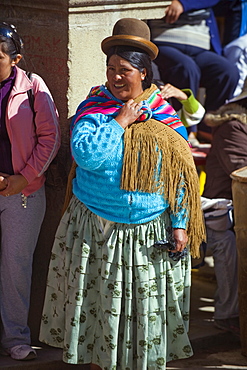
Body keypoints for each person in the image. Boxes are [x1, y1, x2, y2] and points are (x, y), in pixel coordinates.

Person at [39, 18, 205, 370]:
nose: (115, 77)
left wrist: (180, 224)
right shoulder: (96, 109)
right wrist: (120, 122)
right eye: (110, 68)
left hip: (149, 233)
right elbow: (85, 155)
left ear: (144, 73)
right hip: (99, 231)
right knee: (100, 314)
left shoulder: (163, 115)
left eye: (125, 70)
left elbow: (178, 177)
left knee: (144, 319)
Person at [0, 22, 61, 360]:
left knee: (15, 267)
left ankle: (15, 339)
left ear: (16, 59)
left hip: (23, 194)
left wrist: (24, 177)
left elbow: (50, 139)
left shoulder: (33, 87)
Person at [147, 0, 239, 141]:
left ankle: (209, 127)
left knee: (227, 71)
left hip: (201, 46)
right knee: (186, 68)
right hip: (165, 42)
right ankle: (185, 131)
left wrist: (184, 3)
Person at [200, 82, 247, 335]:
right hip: (222, 211)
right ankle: (229, 313)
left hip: (241, 212)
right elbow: (242, 173)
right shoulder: (233, 127)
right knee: (229, 242)